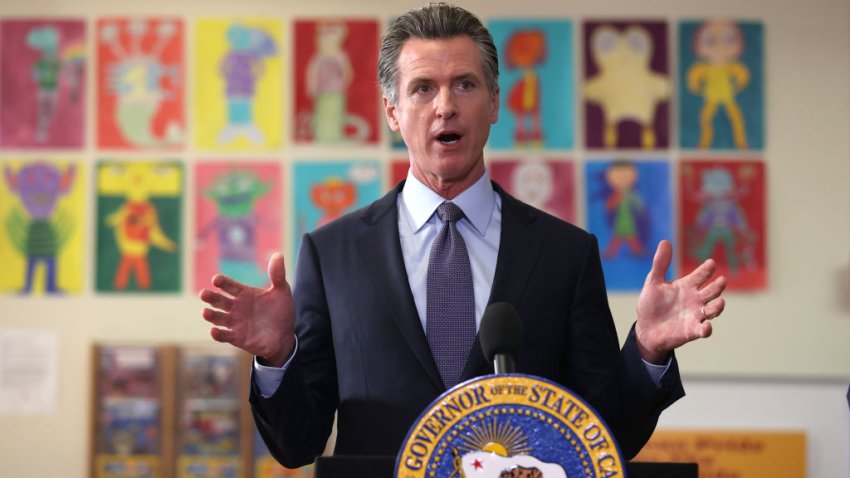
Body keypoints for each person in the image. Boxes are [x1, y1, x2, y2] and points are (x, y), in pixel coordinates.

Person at [200, 2, 726, 468]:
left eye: (465, 85)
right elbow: (297, 443)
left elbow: (606, 435)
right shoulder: (332, 252)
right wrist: (276, 359)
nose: (444, 106)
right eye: (423, 88)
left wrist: (647, 352)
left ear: (495, 104)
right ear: (392, 111)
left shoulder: (566, 254)